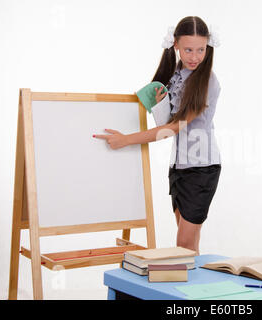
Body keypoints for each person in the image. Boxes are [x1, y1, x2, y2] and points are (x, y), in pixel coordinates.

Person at [94, 16, 221, 255]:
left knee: (183, 245)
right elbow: (164, 122)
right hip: (179, 166)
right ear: (176, 45)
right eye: (188, 49)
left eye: (201, 50)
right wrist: (160, 102)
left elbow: (173, 128)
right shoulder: (176, 75)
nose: (194, 57)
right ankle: (193, 291)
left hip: (202, 168)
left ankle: (190, 289)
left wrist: (126, 140)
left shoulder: (208, 82)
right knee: (189, 246)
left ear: (208, 47)